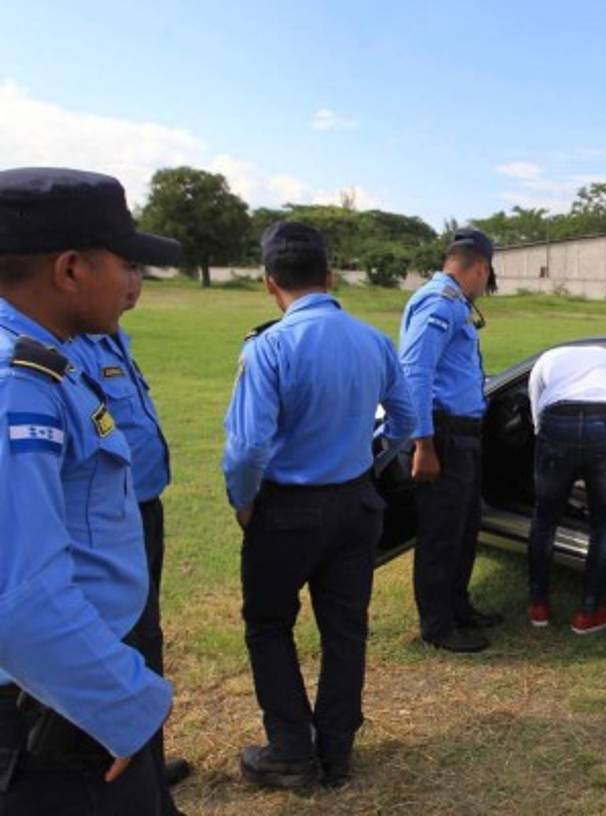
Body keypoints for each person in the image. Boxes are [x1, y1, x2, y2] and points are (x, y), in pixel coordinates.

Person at [0, 167, 179, 814]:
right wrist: (128, 705)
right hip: (55, 707)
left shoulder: (47, 358)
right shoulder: (18, 382)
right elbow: (18, 599)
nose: (134, 282)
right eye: (123, 263)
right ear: (71, 269)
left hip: (67, 683)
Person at [222, 221, 414, 790]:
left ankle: (290, 748)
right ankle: (336, 751)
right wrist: (366, 460)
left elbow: (249, 446)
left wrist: (244, 501)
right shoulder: (374, 341)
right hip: (356, 505)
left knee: (268, 625)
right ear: (330, 278)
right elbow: (404, 420)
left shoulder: (269, 347)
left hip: (286, 509)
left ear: (268, 283)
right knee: (345, 630)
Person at [66, 265, 189, 815]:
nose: (133, 283)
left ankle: (145, 761)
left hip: (140, 510)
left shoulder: (110, 332)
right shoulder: (68, 344)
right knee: (122, 637)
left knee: (144, 635)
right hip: (108, 522)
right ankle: (128, 763)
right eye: (124, 270)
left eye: (138, 272)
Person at [398, 227, 502, 653]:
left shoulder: (455, 302)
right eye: (486, 277)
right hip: (442, 433)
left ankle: (458, 606)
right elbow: (414, 371)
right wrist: (424, 443)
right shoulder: (440, 302)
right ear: (479, 267)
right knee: (441, 532)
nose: (485, 286)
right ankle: (437, 625)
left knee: (463, 527)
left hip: (462, 434)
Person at [526, 345, 606, 633]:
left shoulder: (547, 358)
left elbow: (537, 410)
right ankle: (589, 612)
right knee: (604, 525)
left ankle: (538, 606)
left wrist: (551, 446)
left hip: (557, 421)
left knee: (544, 520)